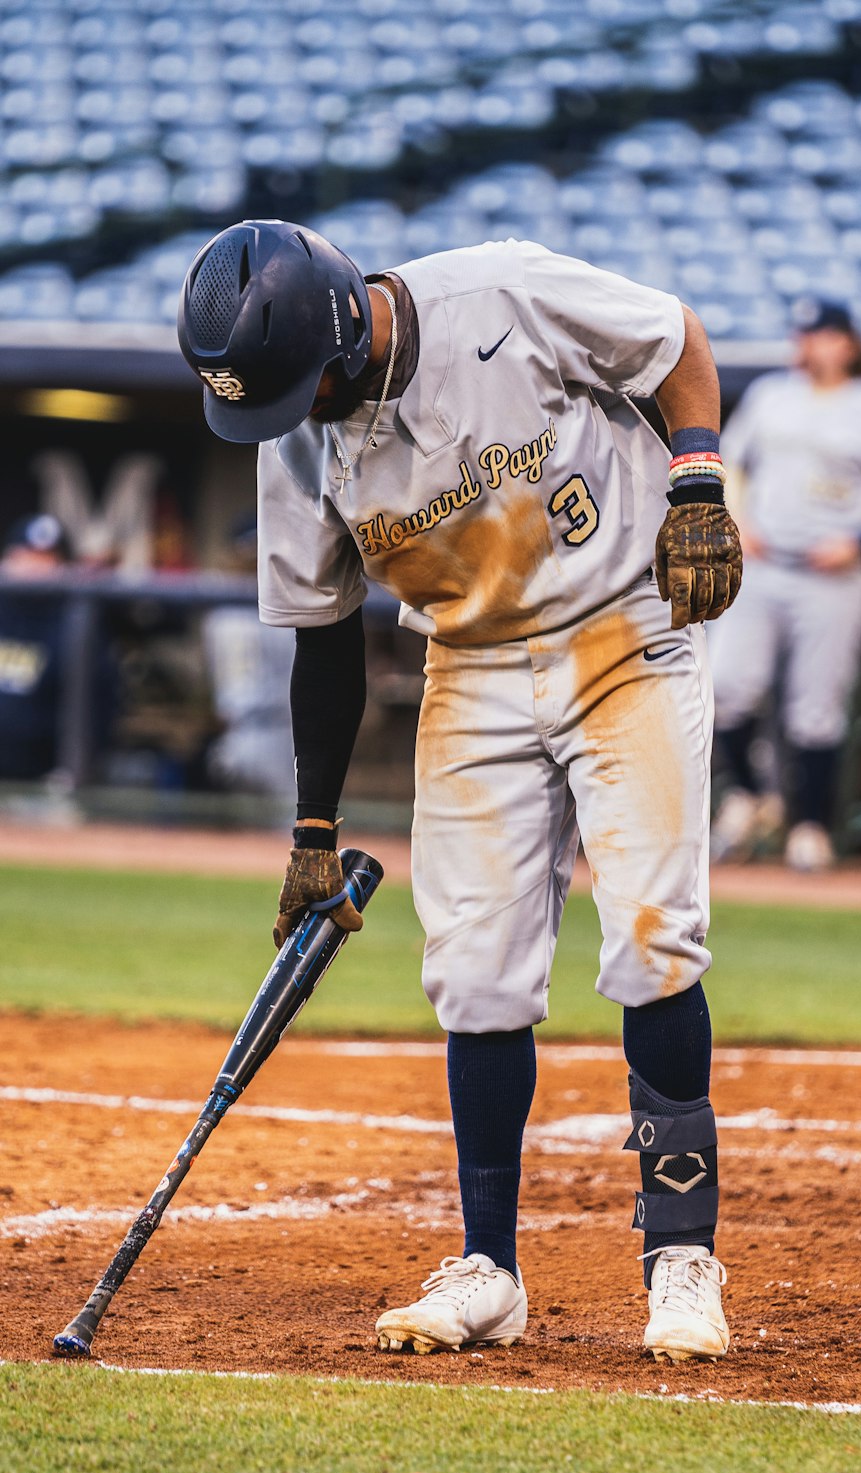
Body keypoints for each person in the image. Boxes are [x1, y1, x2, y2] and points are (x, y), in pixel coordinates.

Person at [178, 220, 743, 1363]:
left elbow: (674, 337)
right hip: (472, 666)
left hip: (623, 629)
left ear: (342, 333)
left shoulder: (502, 291)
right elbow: (324, 639)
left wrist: (695, 481)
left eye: (298, 390)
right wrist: (314, 832)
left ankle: (679, 1260)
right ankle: (489, 1268)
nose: (291, 418)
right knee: (474, 971)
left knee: (650, 937)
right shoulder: (293, 435)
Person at [708, 298, 861, 872]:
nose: (808, 344)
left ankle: (810, 826)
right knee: (726, 685)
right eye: (802, 334)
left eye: (821, 335)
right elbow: (729, 463)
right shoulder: (769, 394)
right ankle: (752, 796)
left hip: (834, 573)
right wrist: (737, 517)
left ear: (847, 343)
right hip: (764, 561)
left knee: (818, 705)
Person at [202, 515, 296, 808]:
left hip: (239, 739)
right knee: (290, 834)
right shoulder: (289, 609)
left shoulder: (217, 613)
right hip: (269, 733)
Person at [0, 514, 72, 781]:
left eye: (47, 559)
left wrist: (71, 772)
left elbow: (99, 704)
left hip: (41, 779)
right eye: (26, 557)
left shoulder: (75, 623)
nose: (36, 568)